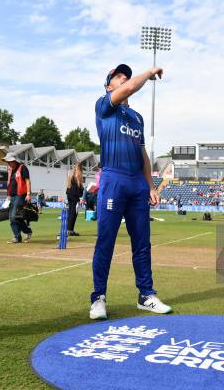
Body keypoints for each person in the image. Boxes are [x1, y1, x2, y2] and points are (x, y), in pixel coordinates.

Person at [89, 63, 171, 320]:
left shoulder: (137, 118)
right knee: (106, 241)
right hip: (114, 178)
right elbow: (132, 86)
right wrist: (148, 73)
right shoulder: (104, 106)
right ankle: (99, 298)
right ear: (108, 86)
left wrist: (150, 186)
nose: (124, 81)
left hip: (137, 183)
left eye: (126, 77)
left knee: (142, 243)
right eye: (118, 78)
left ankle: (146, 294)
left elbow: (143, 154)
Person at [3, 153, 32, 243]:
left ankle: (27, 231)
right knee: (12, 218)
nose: (8, 164)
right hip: (12, 196)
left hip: (21, 195)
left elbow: (27, 181)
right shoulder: (12, 170)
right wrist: (8, 196)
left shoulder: (22, 168)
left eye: (10, 161)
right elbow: (11, 185)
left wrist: (28, 193)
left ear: (14, 161)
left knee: (14, 216)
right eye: (7, 162)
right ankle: (17, 237)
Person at [66, 163, 84, 236]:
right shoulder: (78, 175)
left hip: (69, 194)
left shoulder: (70, 175)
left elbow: (68, 186)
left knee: (71, 212)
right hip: (74, 196)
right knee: (74, 213)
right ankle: (70, 230)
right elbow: (79, 187)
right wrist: (80, 196)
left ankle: (69, 229)